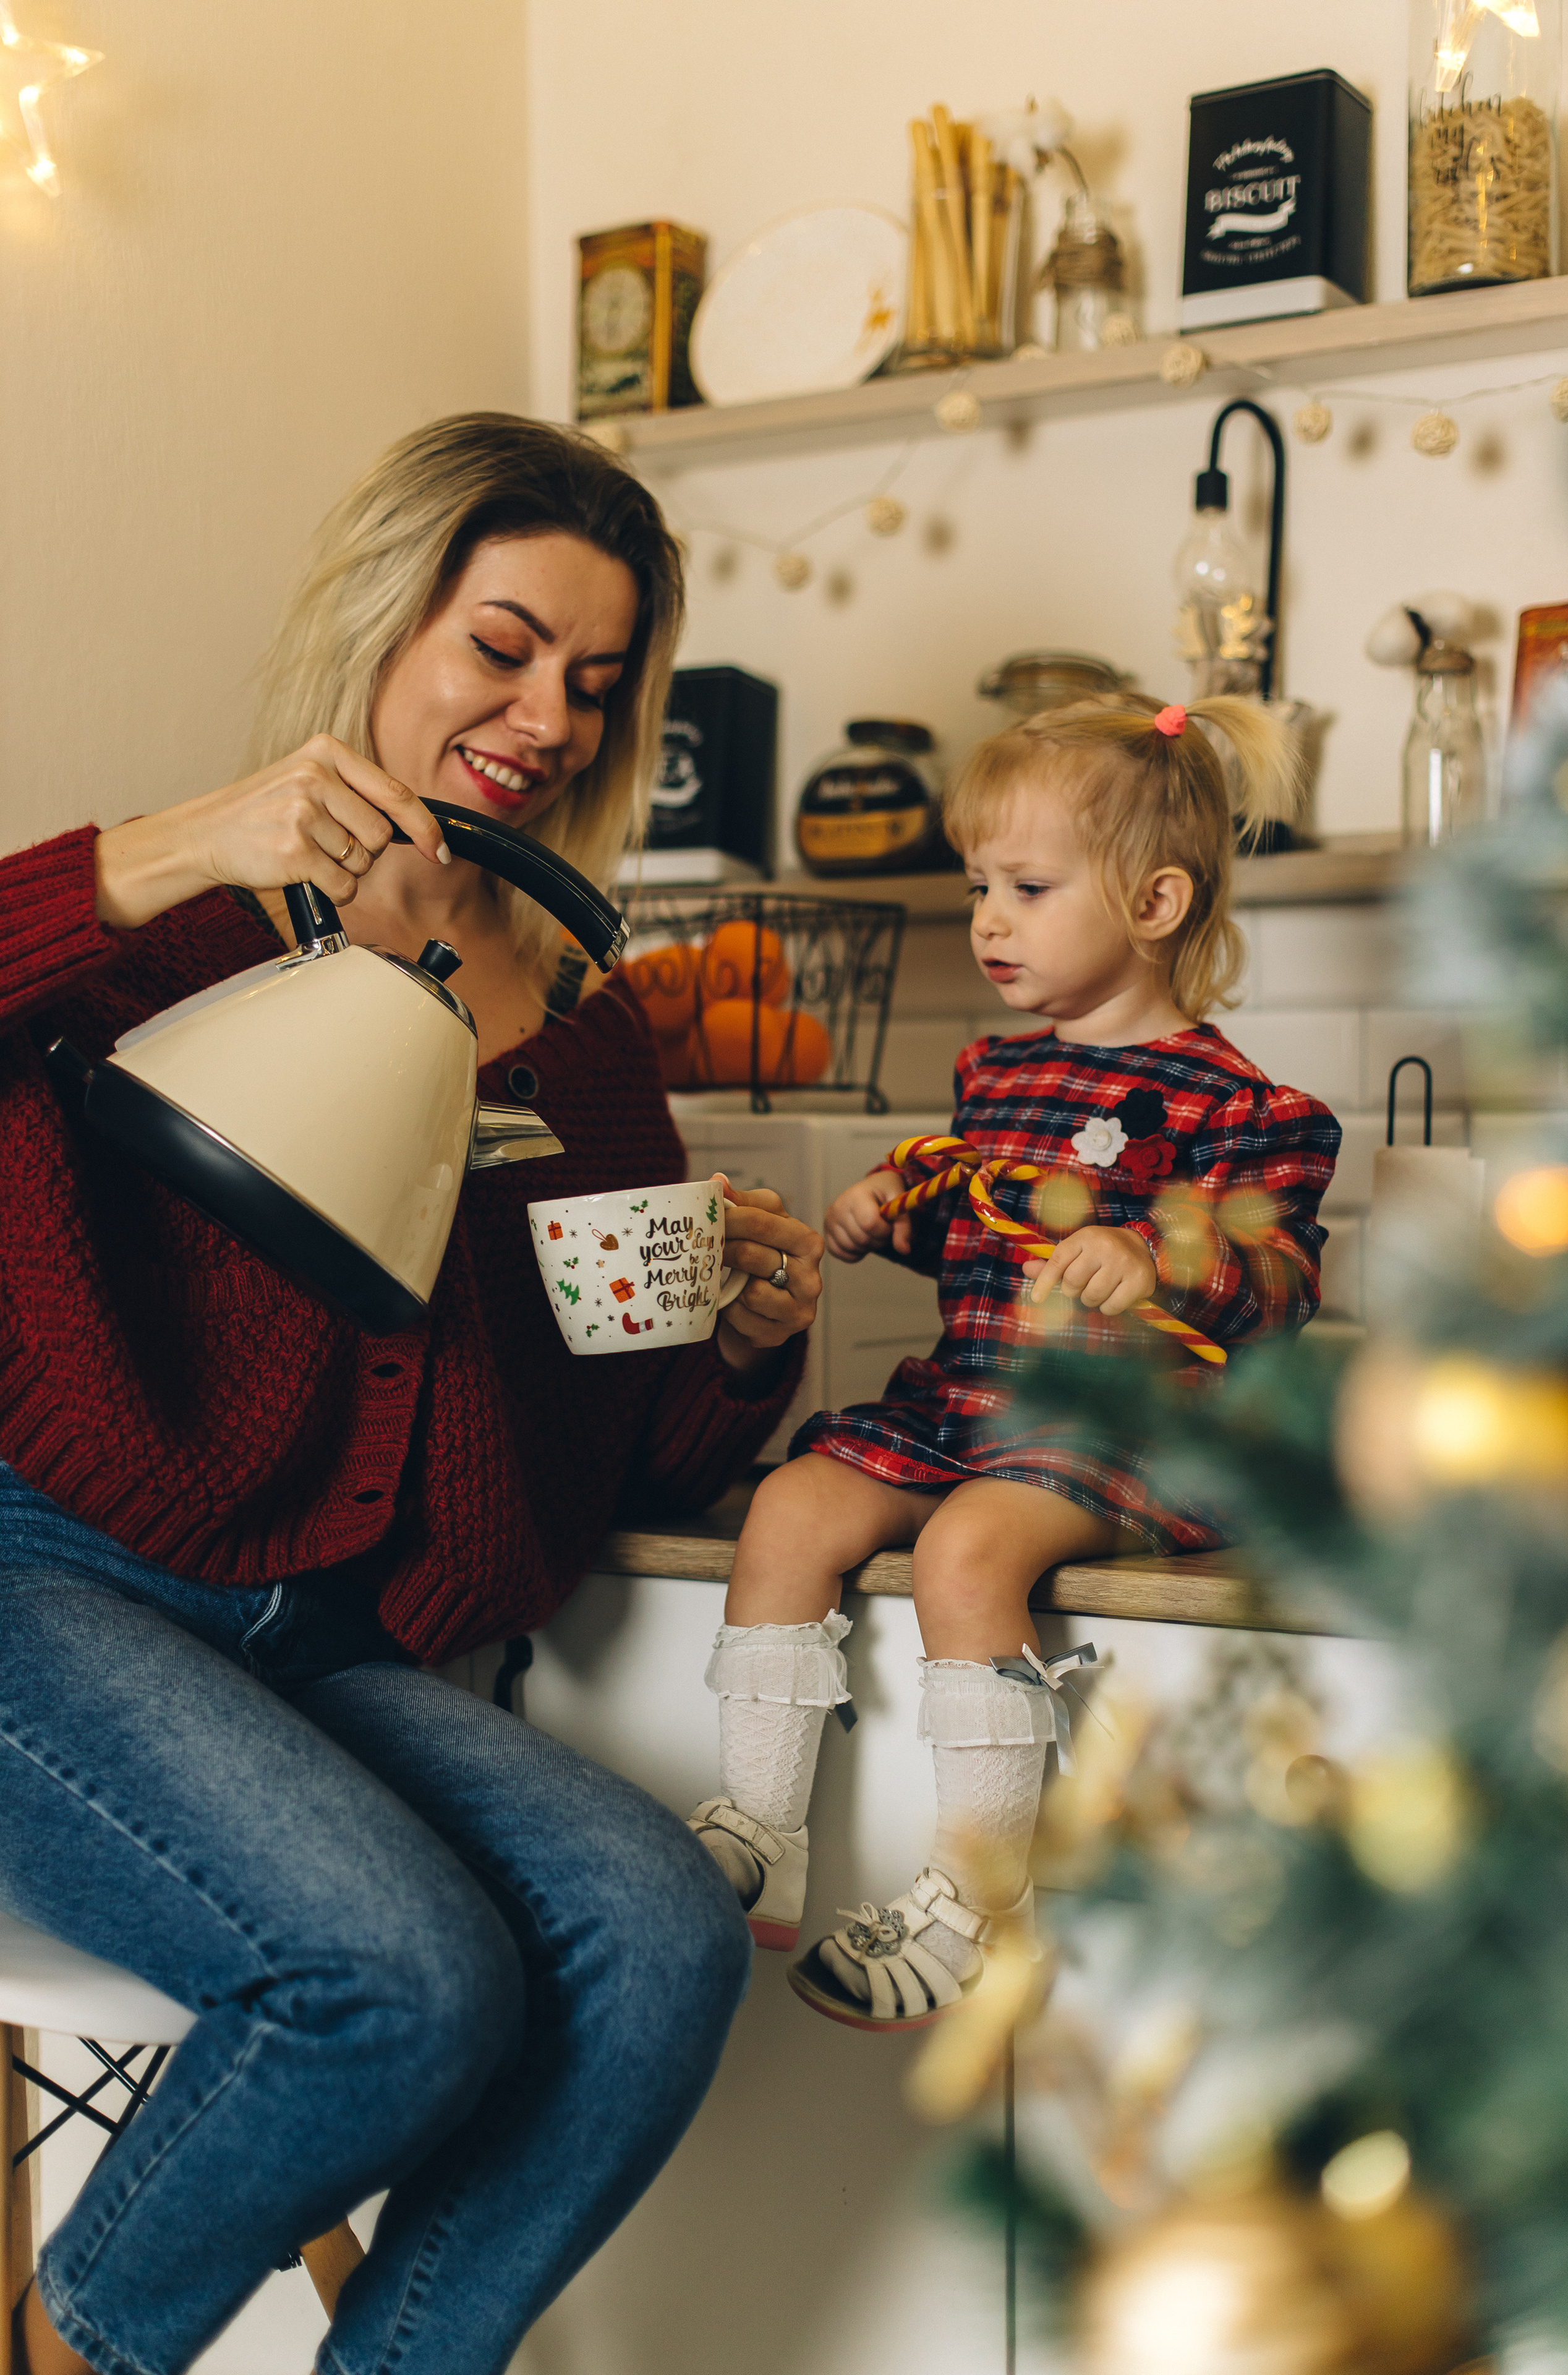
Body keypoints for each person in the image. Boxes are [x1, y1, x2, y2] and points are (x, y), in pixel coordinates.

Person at [0, 414, 824, 2375]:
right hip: (55, 1591)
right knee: (397, 1976)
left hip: (335, 1653)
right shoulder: (171, 934)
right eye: (506, 645)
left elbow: (610, 1458)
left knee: (656, 1943)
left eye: (596, 684)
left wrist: (731, 1347)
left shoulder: (595, 1040)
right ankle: (66, 2343)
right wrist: (184, 841)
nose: (547, 713)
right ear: (391, 623)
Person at [687, 696, 1340, 2029]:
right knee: (789, 1506)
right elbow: (986, 1234)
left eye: (1027, 888)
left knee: (969, 1551)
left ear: (1155, 901)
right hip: (966, 1409)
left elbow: (1275, 1278)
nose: (988, 918)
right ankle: (762, 1828)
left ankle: (980, 1893)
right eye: (981, 884)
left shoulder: (1236, 1107)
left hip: (1121, 1431)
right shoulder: (996, 1076)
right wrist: (898, 1210)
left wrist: (1158, 1257)